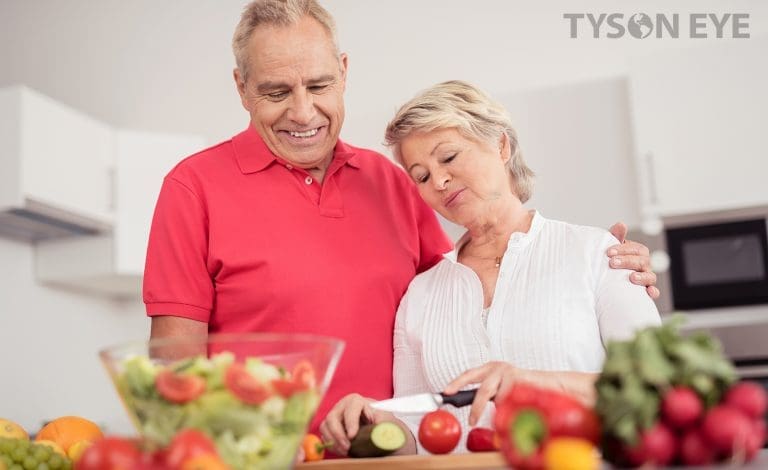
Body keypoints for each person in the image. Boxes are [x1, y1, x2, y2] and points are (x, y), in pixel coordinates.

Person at [143, 0, 658, 434]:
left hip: (387, 455)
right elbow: (175, 367)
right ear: (242, 88)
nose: (302, 112)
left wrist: (608, 265)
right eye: (277, 92)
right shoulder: (193, 187)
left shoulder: (388, 181)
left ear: (344, 72)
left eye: (319, 86)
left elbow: (464, 287)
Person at [319, 80, 661, 455]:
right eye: (422, 176)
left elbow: (658, 387)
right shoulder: (420, 295)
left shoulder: (598, 254)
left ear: (501, 145)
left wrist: (534, 383)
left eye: (449, 157)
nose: (439, 181)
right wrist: (374, 419)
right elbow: (417, 433)